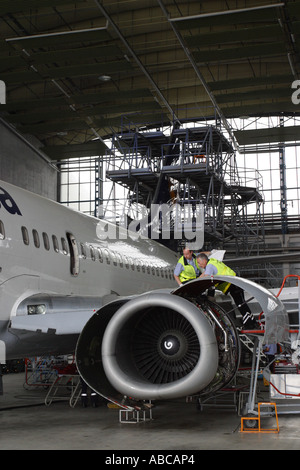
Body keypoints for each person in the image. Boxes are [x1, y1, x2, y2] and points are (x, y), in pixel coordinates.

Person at [196, 252, 257, 329]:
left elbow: (207, 279)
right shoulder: (212, 262)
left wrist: (207, 293)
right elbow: (204, 275)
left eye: (199, 262)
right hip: (234, 284)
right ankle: (252, 322)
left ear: (204, 260)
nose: (199, 265)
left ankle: (250, 324)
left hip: (233, 284)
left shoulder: (210, 266)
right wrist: (196, 281)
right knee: (241, 304)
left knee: (241, 305)